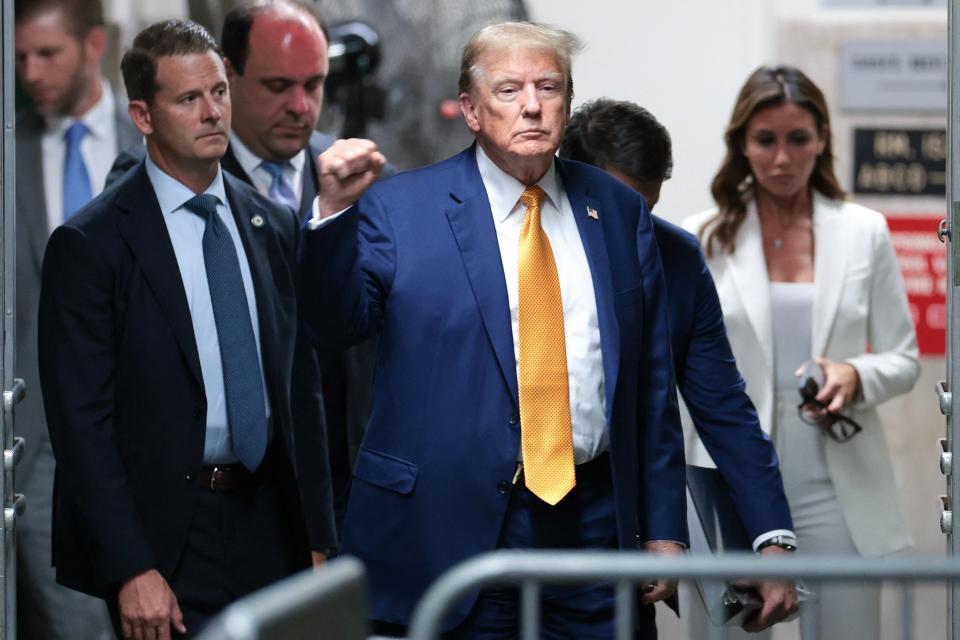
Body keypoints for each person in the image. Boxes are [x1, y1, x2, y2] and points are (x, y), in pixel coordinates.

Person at [298, 21, 687, 637]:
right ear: (473, 111)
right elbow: (331, 324)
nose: (532, 105)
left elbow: (651, 384)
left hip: (593, 526)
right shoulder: (402, 208)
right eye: (508, 90)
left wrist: (664, 526)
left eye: (548, 87)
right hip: (446, 526)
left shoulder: (617, 212)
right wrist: (332, 216)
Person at [37, 19, 336, 640]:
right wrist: (131, 566)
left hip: (271, 521)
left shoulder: (272, 224)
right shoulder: (92, 244)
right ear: (143, 117)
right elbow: (80, 425)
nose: (212, 113)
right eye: (188, 99)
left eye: (220, 92)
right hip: (167, 537)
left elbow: (301, 395)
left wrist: (318, 537)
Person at [105, 0, 385, 529]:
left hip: (348, 498)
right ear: (226, 76)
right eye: (278, 87)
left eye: (315, 84)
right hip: (213, 503)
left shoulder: (367, 183)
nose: (301, 106)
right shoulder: (150, 181)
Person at [683, 65, 920, 640]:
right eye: (766, 140)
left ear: (821, 141)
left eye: (798, 139)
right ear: (742, 144)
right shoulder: (702, 235)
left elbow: (904, 358)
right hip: (731, 481)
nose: (783, 158)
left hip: (836, 487)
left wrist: (855, 373)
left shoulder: (864, 231)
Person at [560, 98, 798, 632]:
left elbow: (725, 408)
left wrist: (773, 540)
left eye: (645, 208)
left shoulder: (677, 260)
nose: (632, 227)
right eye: (619, 206)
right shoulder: (521, 247)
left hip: (620, 527)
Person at [13, 0, 140, 637]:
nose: (32, 72)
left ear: (94, 45)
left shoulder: (156, 138)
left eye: (47, 54)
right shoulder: (8, 155)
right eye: (21, 58)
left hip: (152, 437)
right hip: (38, 448)